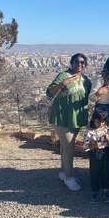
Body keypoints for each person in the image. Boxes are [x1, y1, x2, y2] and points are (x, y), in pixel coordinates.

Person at [47, 53, 91, 191]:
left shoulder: (85, 80)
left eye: (82, 62)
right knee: (70, 147)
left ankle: (62, 172)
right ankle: (69, 177)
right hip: (61, 117)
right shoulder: (63, 75)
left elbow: (91, 95)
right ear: (71, 63)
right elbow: (50, 93)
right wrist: (62, 84)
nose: (79, 64)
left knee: (64, 147)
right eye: (76, 61)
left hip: (75, 118)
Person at [82, 108, 109, 203]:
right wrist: (93, 145)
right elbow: (84, 146)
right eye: (98, 121)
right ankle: (95, 191)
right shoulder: (89, 131)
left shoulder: (106, 129)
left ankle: (106, 190)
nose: (100, 124)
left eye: (103, 122)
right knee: (95, 172)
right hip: (95, 154)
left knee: (106, 171)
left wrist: (108, 138)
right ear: (93, 119)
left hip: (105, 153)